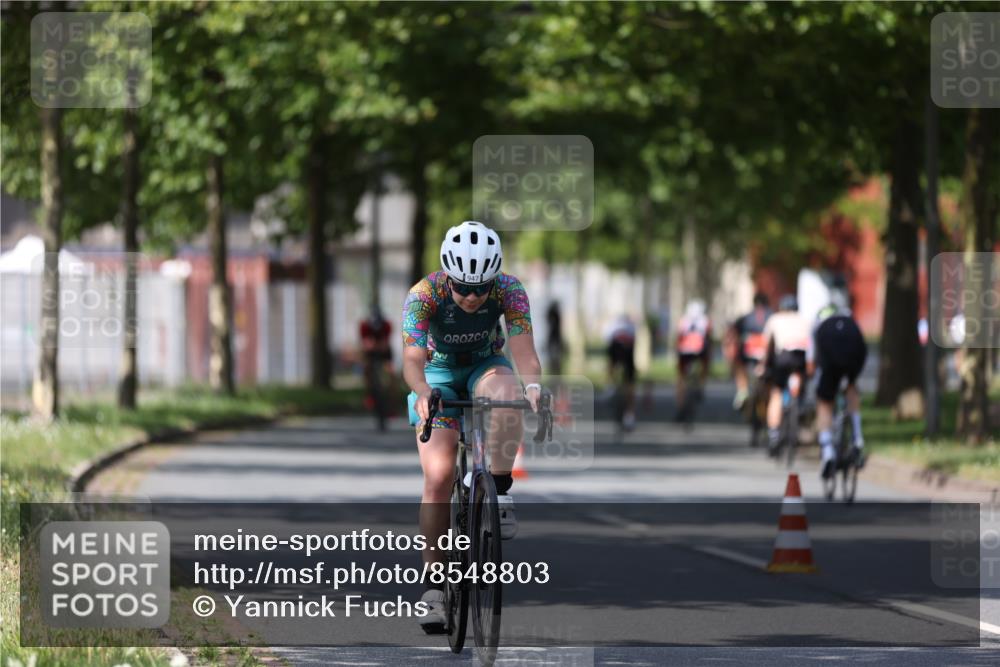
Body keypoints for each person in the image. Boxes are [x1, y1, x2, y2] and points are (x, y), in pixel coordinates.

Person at [401, 220, 543, 633]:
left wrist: (533, 385)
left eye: (481, 288)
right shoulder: (423, 295)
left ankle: (497, 490)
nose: (472, 296)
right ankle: (433, 587)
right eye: (463, 287)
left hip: (485, 364)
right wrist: (423, 391)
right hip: (438, 374)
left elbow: (524, 351)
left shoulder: (509, 290)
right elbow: (411, 360)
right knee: (440, 475)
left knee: (509, 394)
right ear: (448, 274)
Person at [813, 300, 868, 479]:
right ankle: (858, 437)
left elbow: (817, 360)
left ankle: (827, 448)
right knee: (852, 388)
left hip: (830, 358)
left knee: (824, 401)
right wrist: (852, 377)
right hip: (853, 353)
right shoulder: (851, 322)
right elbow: (863, 349)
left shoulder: (821, 327)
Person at [760, 294, 812, 456]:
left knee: (776, 393)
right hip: (801, 357)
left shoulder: (775, 319)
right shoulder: (806, 320)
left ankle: (774, 436)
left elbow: (766, 345)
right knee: (800, 376)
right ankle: (800, 403)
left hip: (783, 356)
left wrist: (763, 364)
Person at [729, 292, 772, 410]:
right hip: (766, 353)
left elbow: (734, 334)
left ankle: (742, 391)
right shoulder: (772, 315)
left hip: (748, 353)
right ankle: (769, 396)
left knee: (739, 366)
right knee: (771, 374)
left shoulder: (745, 317)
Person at [675, 299, 712, 420]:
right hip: (700, 351)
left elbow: (679, 337)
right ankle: (701, 384)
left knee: (681, 377)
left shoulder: (683, 320)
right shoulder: (705, 320)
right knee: (706, 363)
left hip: (684, 352)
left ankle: (680, 407)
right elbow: (708, 337)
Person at [605, 313, 638, 431]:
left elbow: (608, 342)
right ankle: (630, 416)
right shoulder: (631, 326)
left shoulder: (611, 326)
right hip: (628, 349)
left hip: (615, 346)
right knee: (630, 381)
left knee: (610, 364)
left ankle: (609, 385)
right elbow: (634, 342)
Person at [359, 305, 394, 411]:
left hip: (384, 351)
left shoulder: (387, 325)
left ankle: (392, 401)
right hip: (370, 352)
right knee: (366, 368)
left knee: (390, 373)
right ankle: (369, 393)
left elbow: (386, 343)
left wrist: (380, 346)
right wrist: (369, 345)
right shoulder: (364, 326)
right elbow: (365, 343)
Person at [546, 301, 565, 377]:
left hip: (555, 341)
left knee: (555, 362)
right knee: (554, 362)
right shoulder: (554, 317)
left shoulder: (554, 318)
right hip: (554, 342)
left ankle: (556, 377)